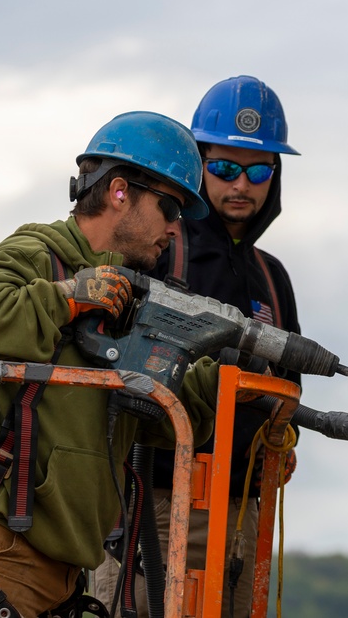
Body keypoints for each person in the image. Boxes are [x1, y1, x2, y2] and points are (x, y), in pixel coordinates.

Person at [0, 111, 222, 618]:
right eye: (170, 206)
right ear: (120, 191)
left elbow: (155, 421)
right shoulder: (38, 253)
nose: (175, 228)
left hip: (58, 578)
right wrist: (68, 297)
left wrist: (222, 379)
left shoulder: (130, 304)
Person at [93, 76, 302, 618]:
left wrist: (287, 437)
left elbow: (287, 391)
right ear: (198, 162)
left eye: (259, 170)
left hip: (243, 512)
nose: (242, 184)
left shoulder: (272, 278)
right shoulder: (161, 249)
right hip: (157, 503)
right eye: (225, 168)